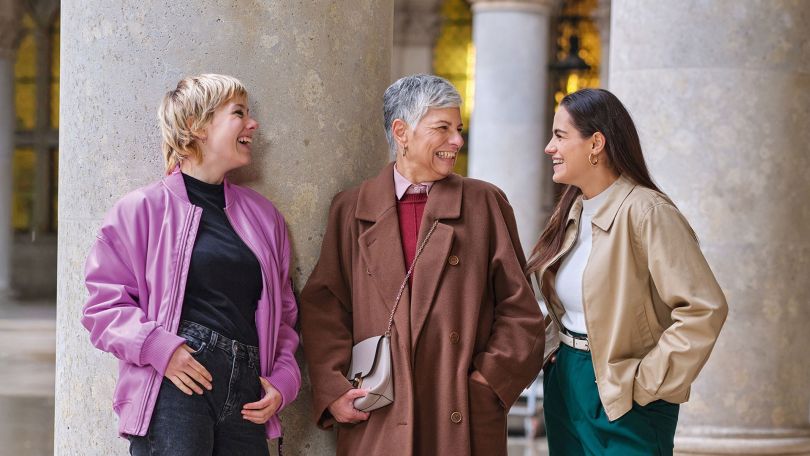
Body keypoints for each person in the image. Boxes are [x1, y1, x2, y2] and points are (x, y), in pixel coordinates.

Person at [300, 74, 545, 456]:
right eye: (443, 128)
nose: (458, 142)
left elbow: (522, 312)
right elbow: (325, 307)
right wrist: (334, 389)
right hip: (379, 413)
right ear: (402, 132)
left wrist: (485, 383)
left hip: (459, 414)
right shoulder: (352, 208)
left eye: (459, 129)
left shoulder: (484, 203)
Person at [81, 74, 301, 455]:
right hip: (175, 387)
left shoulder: (266, 218)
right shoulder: (141, 210)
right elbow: (102, 307)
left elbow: (283, 316)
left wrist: (283, 380)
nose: (254, 124)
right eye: (239, 114)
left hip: (248, 395)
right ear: (198, 127)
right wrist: (158, 348)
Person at [528, 88, 728, 455]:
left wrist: (646, 382)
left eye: (559, 136)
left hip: (626, 394)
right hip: (568, 383)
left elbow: (704, 309)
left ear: (596, 144)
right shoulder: (572, 210)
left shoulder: (647, 212)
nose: (549, 148)